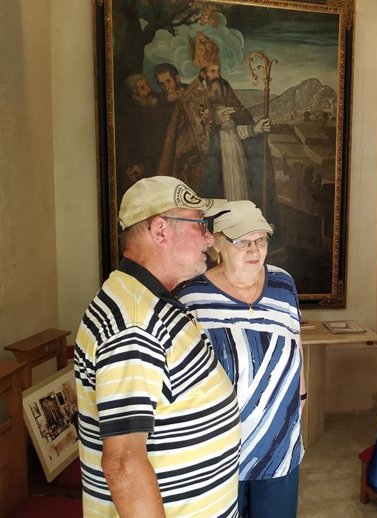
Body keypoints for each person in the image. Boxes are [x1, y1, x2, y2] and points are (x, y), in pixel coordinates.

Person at [73, 176, 241, 518]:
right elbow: (123, 464)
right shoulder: (133, 322)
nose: (209, 238)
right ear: (161, 231)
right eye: (200, 225)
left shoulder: (150, 301)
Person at [177, 200, 305, 518]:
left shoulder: (283, 284)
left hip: (278, 446)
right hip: (217, 452)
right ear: (217, 244)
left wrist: (302, 398)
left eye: (261, 239)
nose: (254, 250)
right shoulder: (191, 296)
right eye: (242, 240)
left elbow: (296, 345)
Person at [157, 32, 271, 202]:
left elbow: (237, 125)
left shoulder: (225, 88)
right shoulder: (192, 97)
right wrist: (214, 120)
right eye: (212, 71)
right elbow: (186, 140)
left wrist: (255, 129)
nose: (217, 75)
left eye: (218, 70)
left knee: (236, 198)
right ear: (203, 74)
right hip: (208, 166)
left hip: (233, 156)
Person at [116, 73, 169, 198]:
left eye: (148, 85)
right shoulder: (133, 115)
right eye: (142, 88)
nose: (149, 90)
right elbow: (131, 145)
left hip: (161, 161)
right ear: (135, 95)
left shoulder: (158, 101)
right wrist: (138, 165)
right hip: (144, 166)